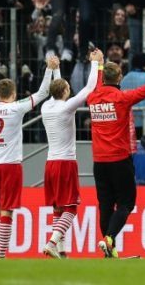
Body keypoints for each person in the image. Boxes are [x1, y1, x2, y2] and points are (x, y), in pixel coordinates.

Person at [87, 45, 145, 259]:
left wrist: (97, 64)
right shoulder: (122, 98)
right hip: (119, 160)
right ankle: (108, 239)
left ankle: (109, 250)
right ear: (120, 77)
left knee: (105, 205)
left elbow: (98, 84)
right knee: (126, 203)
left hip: (99, 161)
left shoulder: (93, 98)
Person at [0, 56, 51, 258]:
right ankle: (1, 253)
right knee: (7, 210)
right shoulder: (16, 107)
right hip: (10, 165)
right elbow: (43, 93)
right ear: (13, 93)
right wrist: (50, 69)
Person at [41, 52, 100, 259]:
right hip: (66, 163)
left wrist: (55, 68)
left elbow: (55, 87)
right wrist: (94, 63)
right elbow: (89, 88)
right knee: (72, 208)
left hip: (50, 163)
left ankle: (62, 250)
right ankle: (52, 242)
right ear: (65, 91)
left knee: (58, 207)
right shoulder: (66, 107)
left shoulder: (46, 106)